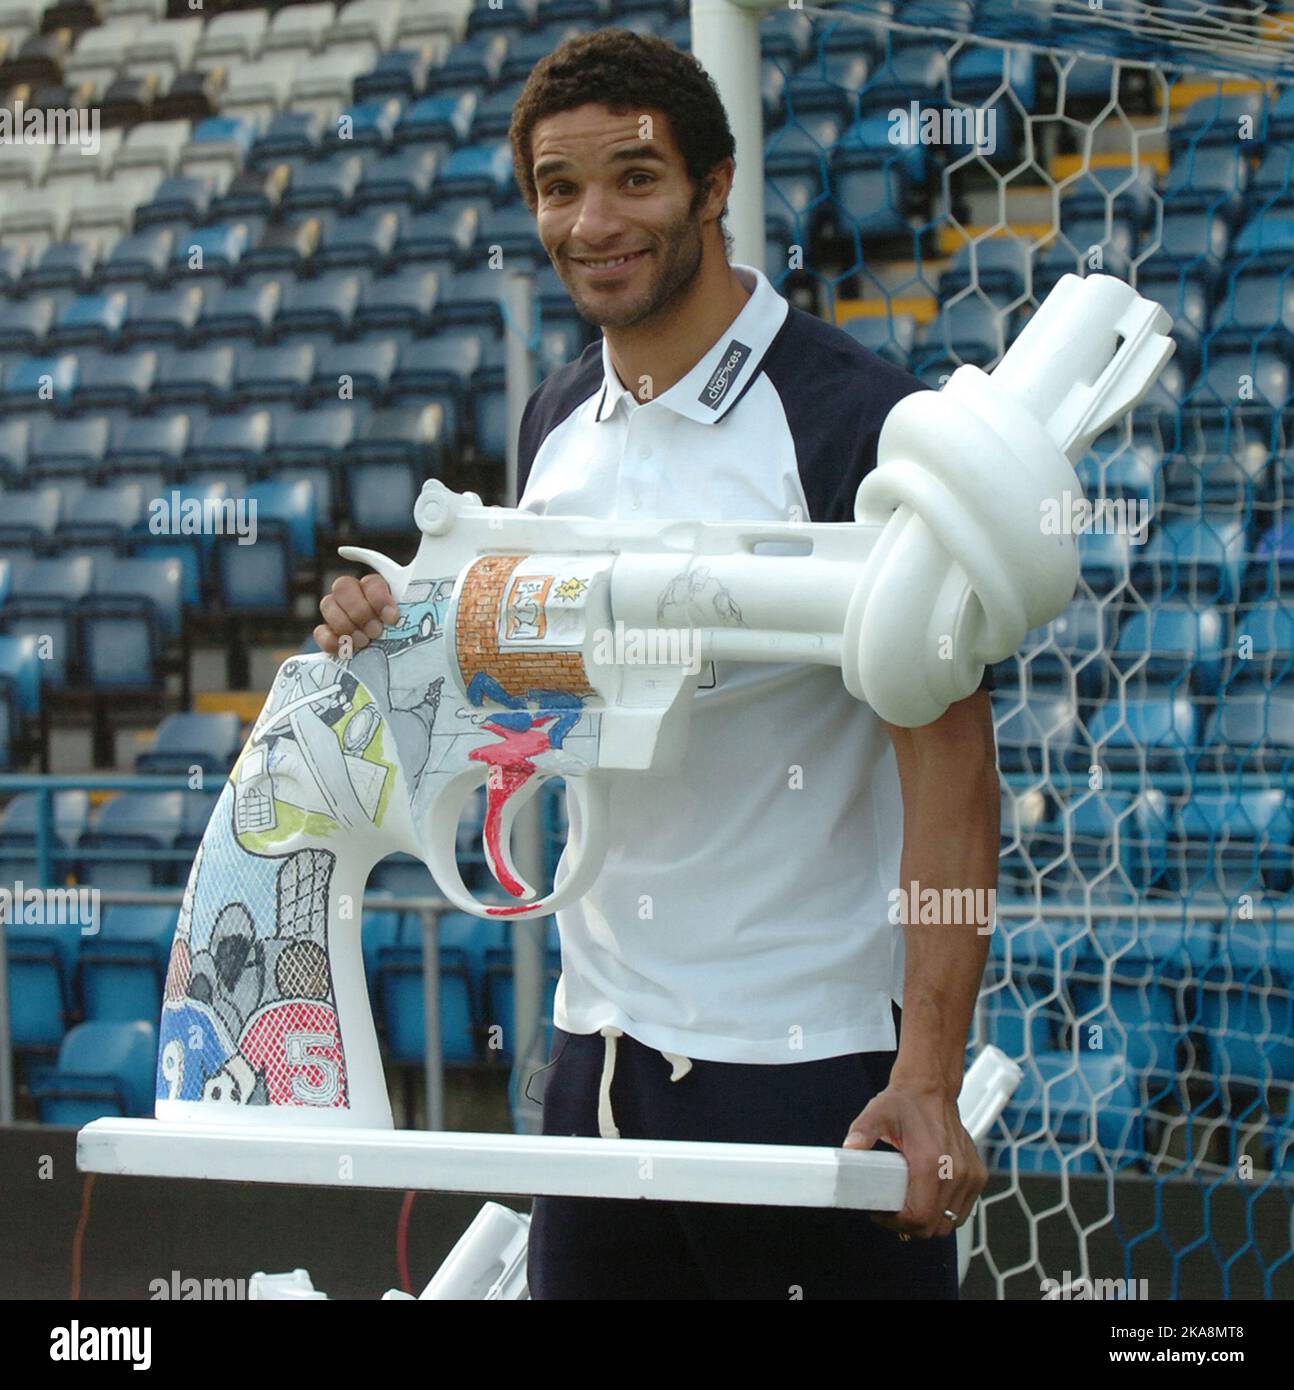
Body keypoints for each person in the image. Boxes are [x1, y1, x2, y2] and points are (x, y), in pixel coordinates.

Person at [314, 29, 998, 1300]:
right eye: (558, 188)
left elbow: (953, 771)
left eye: (635, 177)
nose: (592, 220)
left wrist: (928, 1076)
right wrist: (396, 626)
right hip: (597, 1054)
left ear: (713, 183)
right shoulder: (554, 420)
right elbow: (536, 690)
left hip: (812, 1062)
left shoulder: (856, 420)